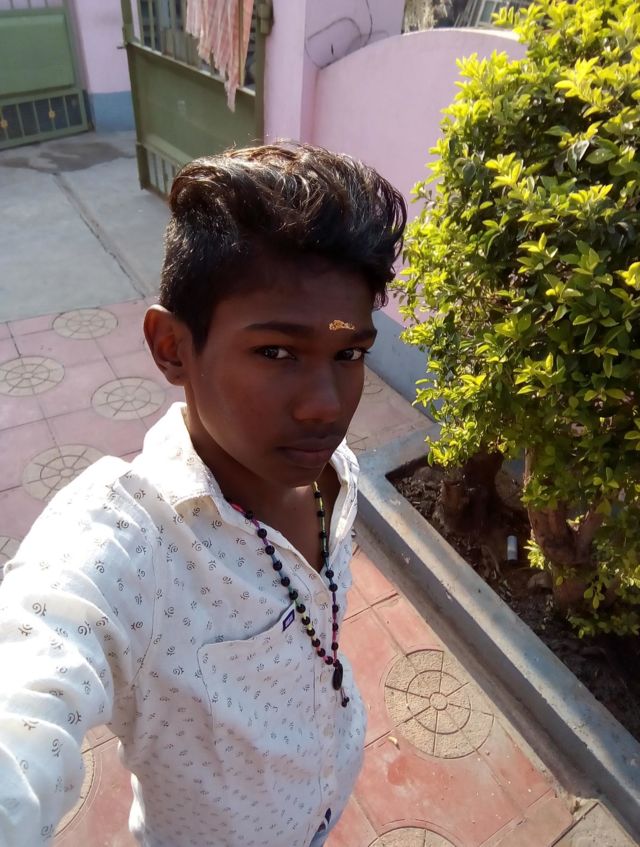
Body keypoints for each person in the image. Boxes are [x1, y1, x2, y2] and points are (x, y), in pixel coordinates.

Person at [0, 143, 406, 847]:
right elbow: (27, 699)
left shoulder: (333, 472)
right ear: (171, 347)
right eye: (277, 352)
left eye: (349, 354)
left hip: (323, 804)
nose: (326, 404)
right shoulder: (126, 545)